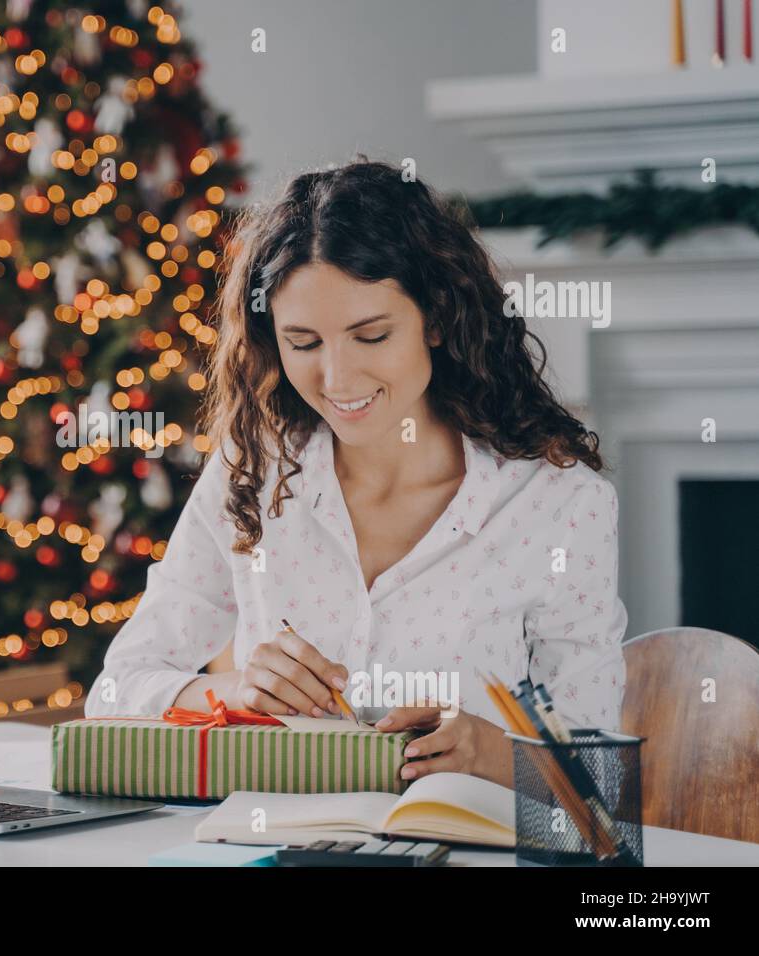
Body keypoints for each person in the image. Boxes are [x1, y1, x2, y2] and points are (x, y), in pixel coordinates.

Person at [84, 160, 627, 789]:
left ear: (437, 317)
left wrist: (488, 752)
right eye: (304, 344)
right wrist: (234, 694)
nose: (337, 381)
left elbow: (603, 780)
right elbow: (118, 688)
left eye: (371, 336)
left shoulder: (559, 504)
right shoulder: (254, 468)